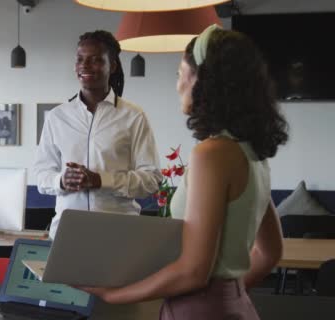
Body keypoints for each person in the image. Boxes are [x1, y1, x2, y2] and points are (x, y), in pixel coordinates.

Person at [80, 25, 289, 319]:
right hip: (237, 306)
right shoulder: (251, 152)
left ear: (203, 81)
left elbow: (193, 271)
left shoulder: (211, 154)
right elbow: (269, 254)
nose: (177, 84)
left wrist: (115, 295)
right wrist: (230, 295)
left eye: (180, 73)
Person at [33, 30, 162, 239]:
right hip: (67, 235)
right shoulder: (57, 117)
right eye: (80, 59)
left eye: (95, 60)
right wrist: (61, 181)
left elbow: (151, 180)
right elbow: (41, 175)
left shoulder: (133, 116)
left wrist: (102, 181)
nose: (84, 66)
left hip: (119, 236)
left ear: (112, 65)